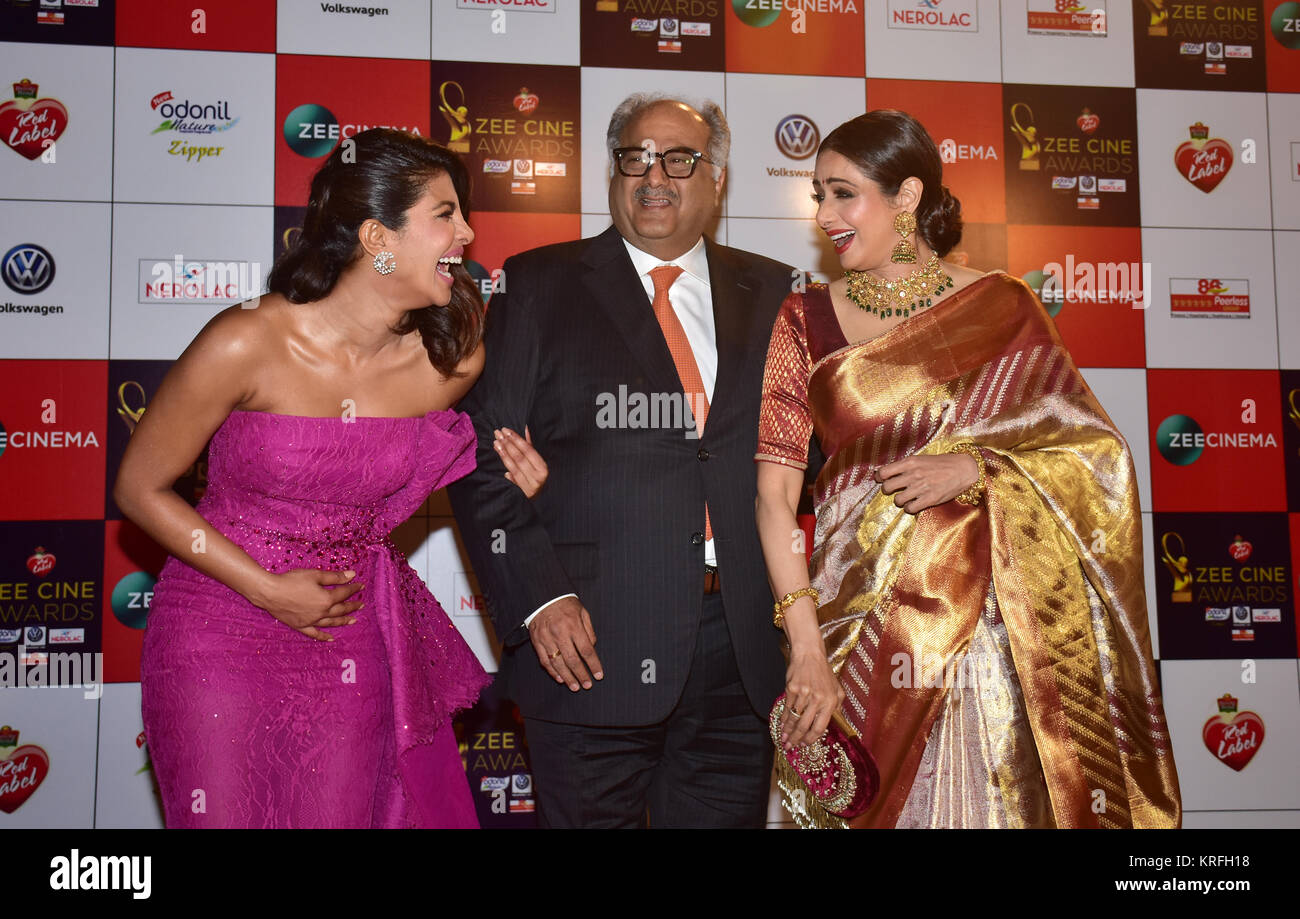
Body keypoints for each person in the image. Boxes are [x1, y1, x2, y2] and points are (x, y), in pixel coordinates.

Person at [754, 111, 1182, 828]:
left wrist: (980, 466)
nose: (823, 215)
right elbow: (774, 497)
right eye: (818, 195)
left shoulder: (1003, 306)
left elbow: (1097, 457)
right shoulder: (803, 320)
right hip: (852, 630)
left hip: (983, 631)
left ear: (908, 196)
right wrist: (804, 649)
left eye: (841, 193)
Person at [116, 129, 498, 828]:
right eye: (445, 214)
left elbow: (444, 465)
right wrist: (268, 590)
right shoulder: (247, 340)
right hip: (220, 627)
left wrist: (523, 466)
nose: (467, 233)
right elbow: (139, 487)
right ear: (378, 235)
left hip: (345, 634)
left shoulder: (447, 364)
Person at [447, 94, 791, 828]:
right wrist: (539, 597)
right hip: (590, 649)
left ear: (719, 178)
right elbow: (480, 455)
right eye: (633, 156)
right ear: (612, 172)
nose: (652, 174)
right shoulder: (538, 283)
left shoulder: (773, 291)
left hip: (740, 657)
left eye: (678, 158)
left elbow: (810, 445)